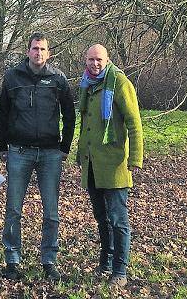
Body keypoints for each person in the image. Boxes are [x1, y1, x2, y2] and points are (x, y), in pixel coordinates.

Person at [0, 32, 76, 281]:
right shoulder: (12, 77)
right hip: (19, 151)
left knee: (51, 211)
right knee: (13, 209)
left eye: (42, 49)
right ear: (27, 51)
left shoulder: (58, 79)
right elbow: (2, 113)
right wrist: (2, 147)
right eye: (34, 48)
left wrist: (65, 146)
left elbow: (70, 114)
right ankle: (12, 259)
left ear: (48, 53)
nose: (38, 53)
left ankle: (49, 259)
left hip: (51, 153)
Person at [75, 44, 143, 287]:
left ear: (107, 60)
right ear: (86, 60)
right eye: (91, 59)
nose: (95, 63)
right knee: (101, 218)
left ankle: (120, 271)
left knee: (118, 220)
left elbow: (134, 123)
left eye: (99, 59)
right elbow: (85, 123)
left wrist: (135, 159)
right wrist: (80, 153)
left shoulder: (120, 84)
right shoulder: (87, 85)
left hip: (114, 165)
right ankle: (105, 263)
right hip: (92, 164)